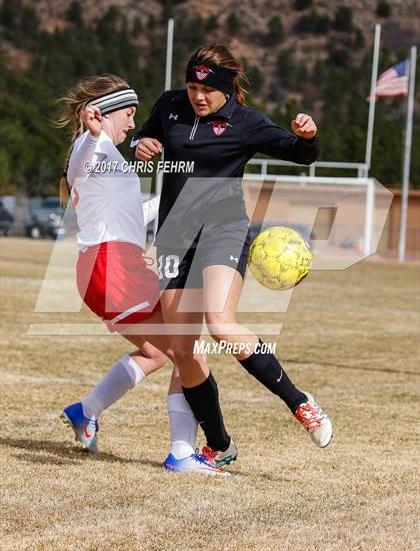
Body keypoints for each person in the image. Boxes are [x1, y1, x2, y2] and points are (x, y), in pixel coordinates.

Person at [132, 43, 332, 449]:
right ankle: (220, 445)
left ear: (227, 89)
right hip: (174, 236)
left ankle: (300, 403)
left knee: (220, 324)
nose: (198, 96)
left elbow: (301, 154)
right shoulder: (170, 106)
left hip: (223, 229)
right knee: (184, 353)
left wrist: (307, 138)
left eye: (206, 90)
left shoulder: (245, 122)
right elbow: (145, 137)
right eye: (191, 87)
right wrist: (140, 145)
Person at [56, 74, 234, 475]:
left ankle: (86, 412)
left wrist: (186, 200)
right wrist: (94, 131)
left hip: (108, 266)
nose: (133, 125)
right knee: (189, 353)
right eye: (129, 114)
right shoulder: (93, 145)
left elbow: (133, 216)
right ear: (101, 112)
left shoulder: (109, 155)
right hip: (112, 266)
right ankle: (182, 454)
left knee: (157, 353)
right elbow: (84, 162)